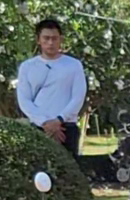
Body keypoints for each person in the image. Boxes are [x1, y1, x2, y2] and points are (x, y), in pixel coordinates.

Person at [15, 17, 87, 156]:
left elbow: (78, 97)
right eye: (46, 38)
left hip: (66, 128)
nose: (50, 43)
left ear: (61, 39)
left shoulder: (74, 65)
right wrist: (45, 123)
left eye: (54, 38)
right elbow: (24, 100)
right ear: (38, 40)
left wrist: (59, 120)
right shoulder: (27, 67)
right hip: (38, 127)